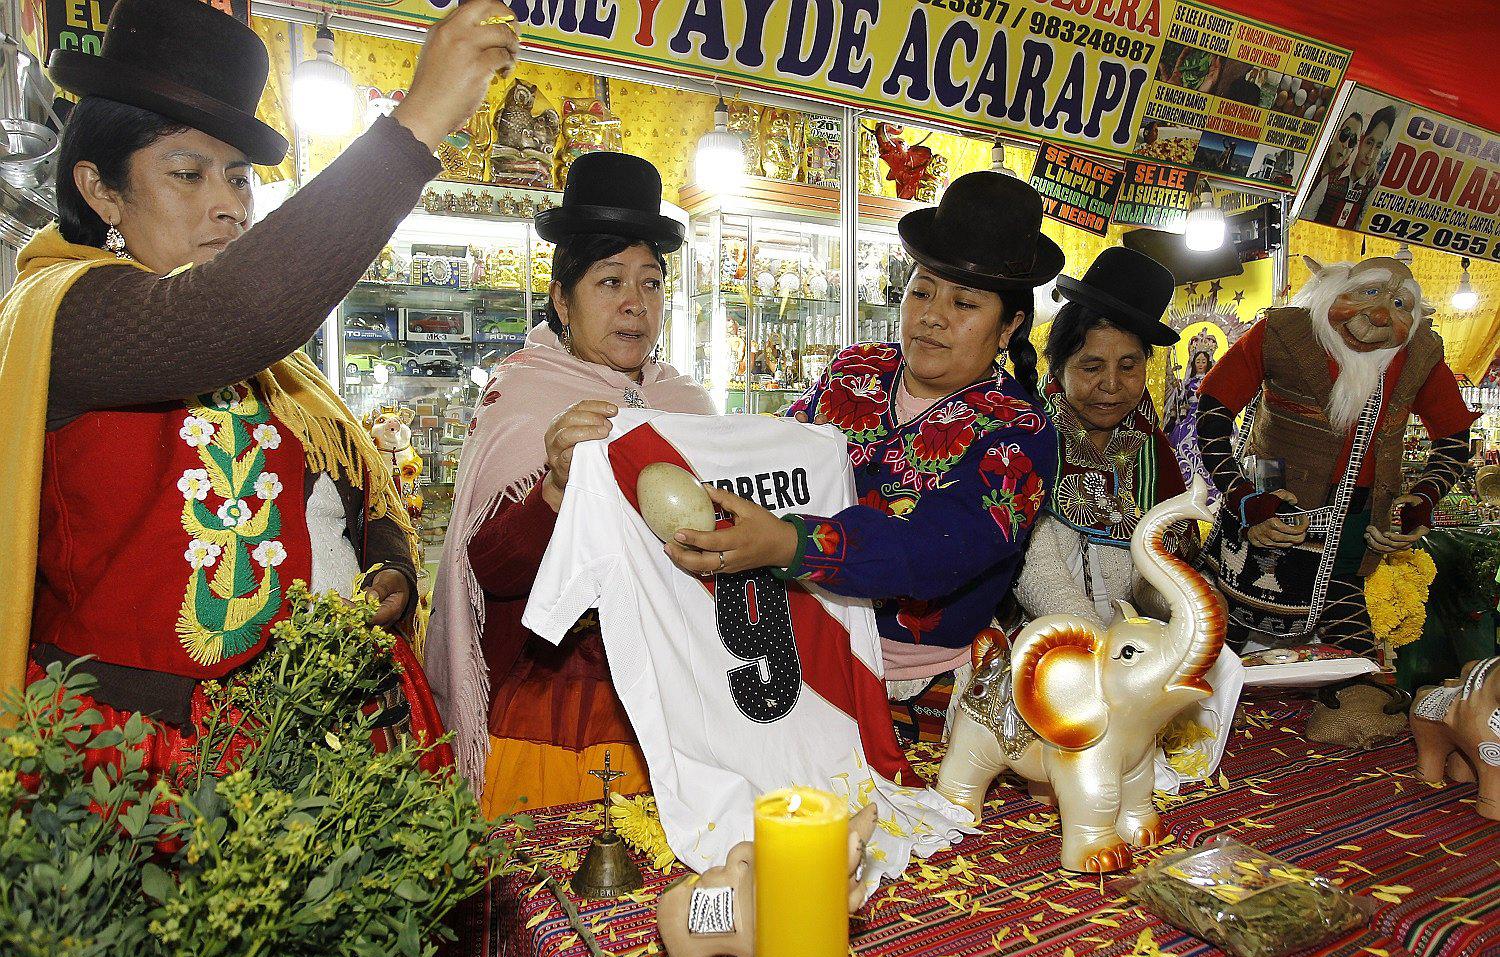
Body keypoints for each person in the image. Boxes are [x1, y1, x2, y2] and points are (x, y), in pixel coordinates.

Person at [0, 0, 520, 772]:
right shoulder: (66, 315)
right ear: (101, 190)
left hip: (317, 730)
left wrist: (388, 568)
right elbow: (229, 315)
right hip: (153, 757)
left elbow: (349, 494)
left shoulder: (278, 365)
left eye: (239, 179)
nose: (228, 203)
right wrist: (416, 126)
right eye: (188, 173)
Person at [663, 172, 1061, 726]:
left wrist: (790, 543)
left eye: (964, 303)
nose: (932, 315)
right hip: (799, 652)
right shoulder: (858, 370)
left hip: (922, 688)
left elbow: (938, 549)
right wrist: (651, 441)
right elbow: (776, 450)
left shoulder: (1019, 432)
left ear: (1010, 325)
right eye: (921, 290)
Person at [426, 152, 712, 816]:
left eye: (650, 283)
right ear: (561, 299)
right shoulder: (525, 399)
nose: (635, 305)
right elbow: (489, 570)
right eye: (609, 282)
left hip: (676, 695)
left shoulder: (684, 401)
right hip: (556, 704)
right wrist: (554, 489)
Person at [1196, 255, 1474, 743]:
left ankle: (1355, 700)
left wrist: (1424, 499)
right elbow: (1214, 409)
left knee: (1342, 591)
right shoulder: (1282, 331)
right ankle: (1204, 695)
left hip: (1360, 508)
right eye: (1368, 293)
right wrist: (1242, 496)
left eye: (1399, 303)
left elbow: (1453, 439)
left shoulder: (1421, 356)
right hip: (1269, 485)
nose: (1381, 314)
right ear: (1334, 289)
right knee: (1233, 599)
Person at [1014, 247, 1188, 625]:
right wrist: (1095, 641)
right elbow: (1035, 569)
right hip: (1046, 646)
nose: (1112, 385)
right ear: (1058, 368)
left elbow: (1162, 563)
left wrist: (1178, 606)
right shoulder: (1026, 438)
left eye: (1129, 366)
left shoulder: (1152, 448)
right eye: (1092, 367)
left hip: (1132, 652)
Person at [1165, 331, 1219, 495]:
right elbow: (1180, 402)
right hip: (1189, 421)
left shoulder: (1213, 381)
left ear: (1208, 362)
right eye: (1198, 361)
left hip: (1206, 418)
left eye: (1204, 361)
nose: (1201, 364)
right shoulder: (1187, 382)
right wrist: (1178, 391)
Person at [1302, 110, 1363, 224]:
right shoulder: (1312, 157)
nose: (1345, 145)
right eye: (1345, 135)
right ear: (1336, 133)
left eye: (1352, 141)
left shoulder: (1348, 180)